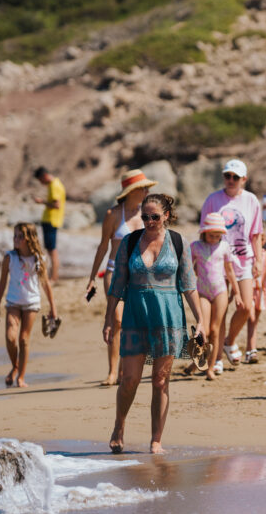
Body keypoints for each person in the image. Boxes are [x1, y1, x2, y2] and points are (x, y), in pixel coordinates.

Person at [103, 193, 205, 454]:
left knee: (160, 381)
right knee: (130, 380)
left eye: (154, 217)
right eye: (145, 217)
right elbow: (117, 284)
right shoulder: (129, 242)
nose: (149, 221)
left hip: (168, 318)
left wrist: (201, 320)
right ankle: (119, 426)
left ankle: (156, 440)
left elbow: (189, 286)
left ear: (166, 216)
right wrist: (109, 317)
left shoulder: (178, 242)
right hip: (136, 315)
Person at [84, 169, 155, 386]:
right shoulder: (113, 215)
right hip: (115, 272)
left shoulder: (148, 213)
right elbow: (103, 246)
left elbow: (155, 244)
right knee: (116, 320)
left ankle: (127, 368)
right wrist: (92, 277)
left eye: (146, 188)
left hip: (141, 275)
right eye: (142, 188)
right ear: (132, 191)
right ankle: (112, 372)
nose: (146, 191)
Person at [203, 159, 266, 368]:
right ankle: (217, 357)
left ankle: (229, 341)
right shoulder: (213, 200)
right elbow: (204, 233)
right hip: (217, 262)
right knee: (219, 311)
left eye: (235, 177)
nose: (230, 180)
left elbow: (256, 234)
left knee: (246, 306)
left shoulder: (251, 201)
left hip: (243, 259)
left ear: (243, 179)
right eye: (227, 176)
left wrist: (258, 260)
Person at [0, 222, 57, 388]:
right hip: (13, 302)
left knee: (23, 339)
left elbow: (46, 284)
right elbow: (2, 282)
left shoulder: (39, 258)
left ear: (29, 239)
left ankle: (20, 376)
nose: (16, 239)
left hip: (31, 303)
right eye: (15, 236)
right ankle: (15, 366)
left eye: (20, 236)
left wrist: (53, 308)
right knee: (10, 337)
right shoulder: (10, 257)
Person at [190, 211, 241, 380]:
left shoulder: (224, 247)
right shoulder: (196, 247)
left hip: (220, 290)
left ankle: (210, 368)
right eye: (212, 235)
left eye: (218, 236)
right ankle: (197, 359)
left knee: (215, 329)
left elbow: (229, 271)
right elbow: (189, 269)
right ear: (204, 232)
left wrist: (237, 292)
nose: (215, 239)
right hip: (203, 291)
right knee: (202, 330)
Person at [31, 166, 65, 281]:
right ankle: (53, 275)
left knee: (52, 250)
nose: (41, 183)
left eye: (40, 180)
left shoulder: (54, 186)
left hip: (51, 220)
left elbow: (56, 205)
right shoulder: (56, 184)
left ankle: (54, 277)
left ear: (44, 176)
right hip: (51, 220)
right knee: (51, 249)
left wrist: (42, 202)